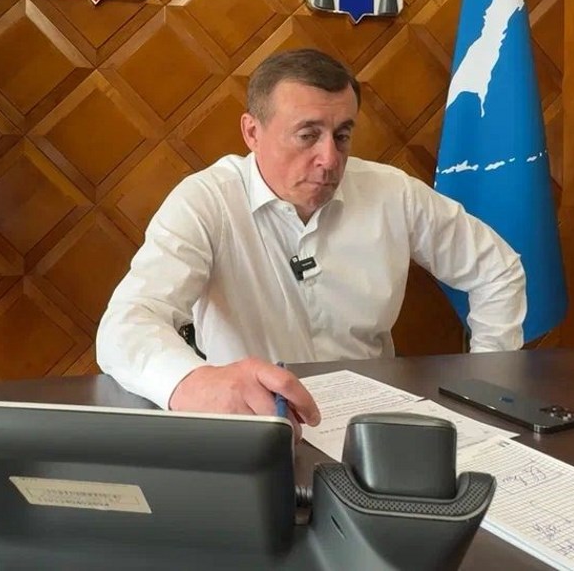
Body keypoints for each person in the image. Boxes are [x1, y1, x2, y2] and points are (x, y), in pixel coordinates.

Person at [95, 48, 526, 427]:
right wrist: (192, 383)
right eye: (308, 135)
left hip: (371, 423)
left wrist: (486, 379)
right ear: (252, 132)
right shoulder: (206, 201)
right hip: (256, 423)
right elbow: (126, 324)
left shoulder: (392, 193)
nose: (329, 159)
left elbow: (498, 270)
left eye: (342, 136)